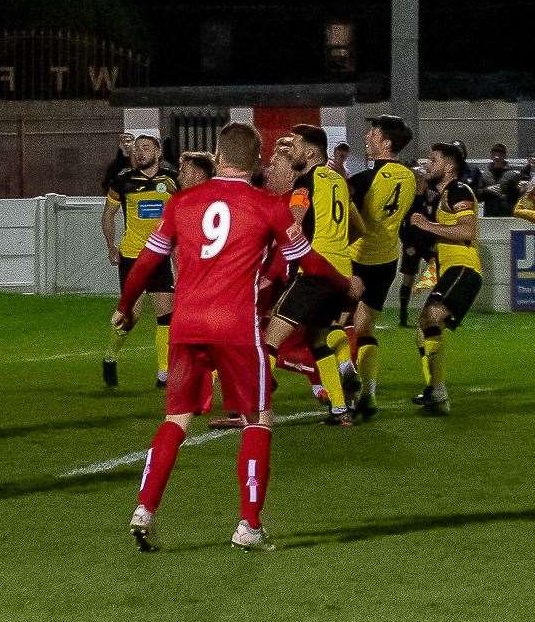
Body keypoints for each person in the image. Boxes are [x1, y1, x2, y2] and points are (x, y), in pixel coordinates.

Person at [115, 122, 362, 553]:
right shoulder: (269, 207)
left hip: (187, 325)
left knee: (176, 419)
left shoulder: (181, 202)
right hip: (235, 326)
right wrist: (343, 283)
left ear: (217, 154)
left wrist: (124, 307)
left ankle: (144, 509)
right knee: (259, 418)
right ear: (258, 160)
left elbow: (144, 263)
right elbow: (308, 262)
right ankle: (248, 524)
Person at [262, 125, 360, 426]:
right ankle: (340, 411)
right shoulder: (339, 181)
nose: (291, 151)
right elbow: (357, 228)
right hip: (342, 273)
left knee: (268, 341)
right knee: (318, 340)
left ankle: (254, 409)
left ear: (311, 151)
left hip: (315, 272)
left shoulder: (305, 183)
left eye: (296, 145)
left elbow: (293, 225)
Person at [347, 115, 417, 420]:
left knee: (335, 326)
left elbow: (349, 221)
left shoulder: (364, 180)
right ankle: (369, 393)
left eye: (372, 133)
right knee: (365, 327)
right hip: (387, 259)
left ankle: (342, 387)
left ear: (385, 143)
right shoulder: (411, 177)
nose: (366, 136)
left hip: (356, 259)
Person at [408, 142, 483, 416]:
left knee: (431, 317)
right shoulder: (440, 197)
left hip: (464, 267)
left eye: (434, 159)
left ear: (449, 165)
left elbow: (467, 230)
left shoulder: (458, 190)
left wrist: (426, 224)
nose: (429, 164)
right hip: (450, 269)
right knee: (422, 329)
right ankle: (435, 392)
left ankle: (437, 391)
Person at [101, 134, 178, 388]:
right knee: (131, 316)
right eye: (137, 149)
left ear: (158, 151)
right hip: (132, 255)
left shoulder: (172, 179)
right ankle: (111, 355)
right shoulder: (123, 180)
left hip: (160, 256)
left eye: (146, 148)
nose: (141, 152)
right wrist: (111, 246)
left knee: (166, 315)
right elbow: (108, 214)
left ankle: (164, 373)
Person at [398, 167, 435, 327]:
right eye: (418, 179)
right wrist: (407, 244)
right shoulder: (408, 200)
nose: (421, 182)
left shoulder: (431, 198)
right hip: (412, 245)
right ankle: (403, 315)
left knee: (441, 270)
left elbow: (435, 221)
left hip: (427, 244)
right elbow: (400, 226)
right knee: (408, 279)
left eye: (423, 179)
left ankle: (437, 310)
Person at [478, 143, 518, 217]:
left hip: (508, 215)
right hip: (490, 215)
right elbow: (477, 197)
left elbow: (518, 196)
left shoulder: (512, 175)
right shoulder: (485, 175)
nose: (497, 157)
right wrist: (486, 190)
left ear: (505, 156)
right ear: (491, 156)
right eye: (494, 154)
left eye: (500, 155)